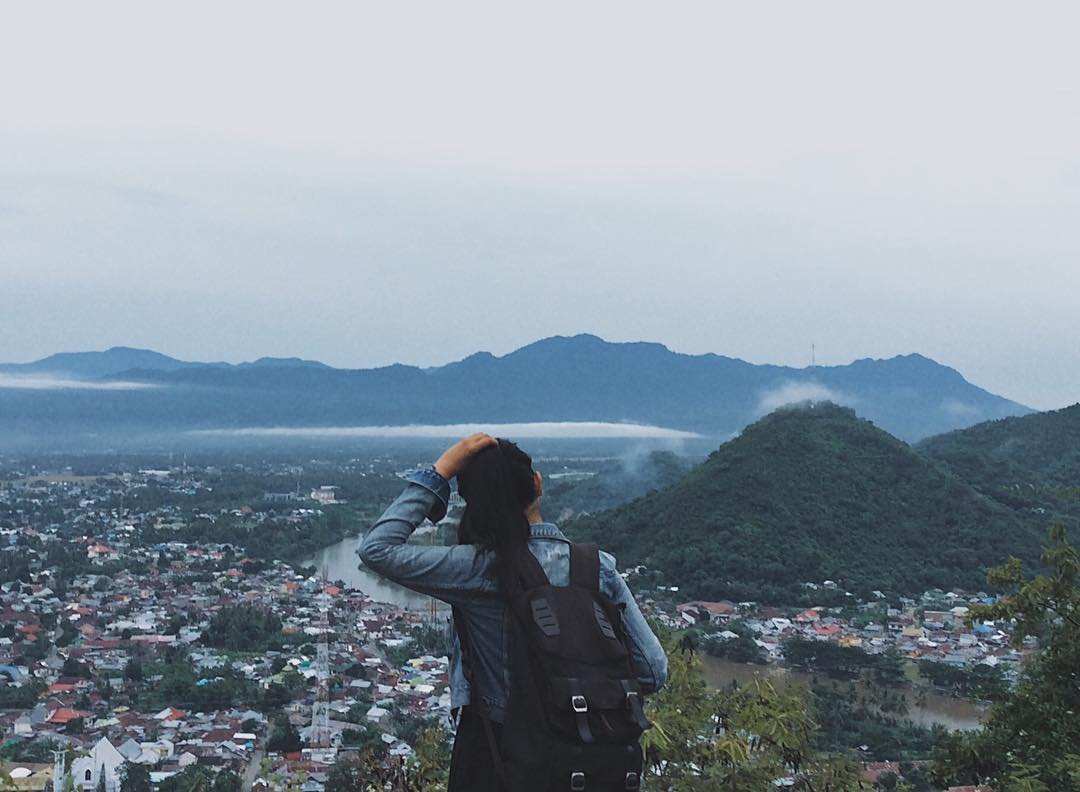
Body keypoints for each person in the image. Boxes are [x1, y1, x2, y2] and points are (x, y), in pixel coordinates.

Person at [360, 433, 668, 791]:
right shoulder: (597, 567)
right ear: (537, 484)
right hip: (590, 756)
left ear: (473, 501)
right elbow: (653, 671)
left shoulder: (479, 568)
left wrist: (441, 470)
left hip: (496, 754)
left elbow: (377, 550)